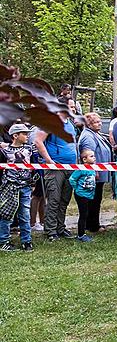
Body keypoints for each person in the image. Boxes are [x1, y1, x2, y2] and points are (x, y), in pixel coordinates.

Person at [33, 101, 78, 241]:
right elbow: (38, 141)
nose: (74, 108)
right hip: (55, 168)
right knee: (54, 199)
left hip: (70, 167)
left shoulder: (70, 124)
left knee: (65, 199)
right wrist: (49, 160)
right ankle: (50, 231)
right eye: (71, 106)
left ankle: (60, 227)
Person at [0, 123, 35, 252]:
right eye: (24, 134)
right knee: (6, 214)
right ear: (15, 136)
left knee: (25, 215)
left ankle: (27, 240)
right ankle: (3, 240)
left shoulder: (29, 149)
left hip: (25, 186)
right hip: (10, 187)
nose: (27, 136)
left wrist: (33, 181)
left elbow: (35, 164)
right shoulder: (5, 151)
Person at [77, 112, 112, 233]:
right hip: (94, 174)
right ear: (89, 124)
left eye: (100, 121)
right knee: (93, 200)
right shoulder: (88, 136)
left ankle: (93, 223)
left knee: (96, 199)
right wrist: (94, 171)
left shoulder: (95, 134)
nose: (100, 124)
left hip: (100, 172)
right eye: (96, 122)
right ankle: (92, 225)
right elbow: (88, 155)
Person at [68, 150, 97, 242]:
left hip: (89, 195)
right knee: (83, 214)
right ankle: (81, 235)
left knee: (87, 213)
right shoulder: (81, 169)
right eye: (91, 156)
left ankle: (83, 232)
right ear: (84, 159)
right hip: (81, 195)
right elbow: (72, 179)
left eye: (94, 156)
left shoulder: (92, 168)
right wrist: (77, 188)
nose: (94, 158)